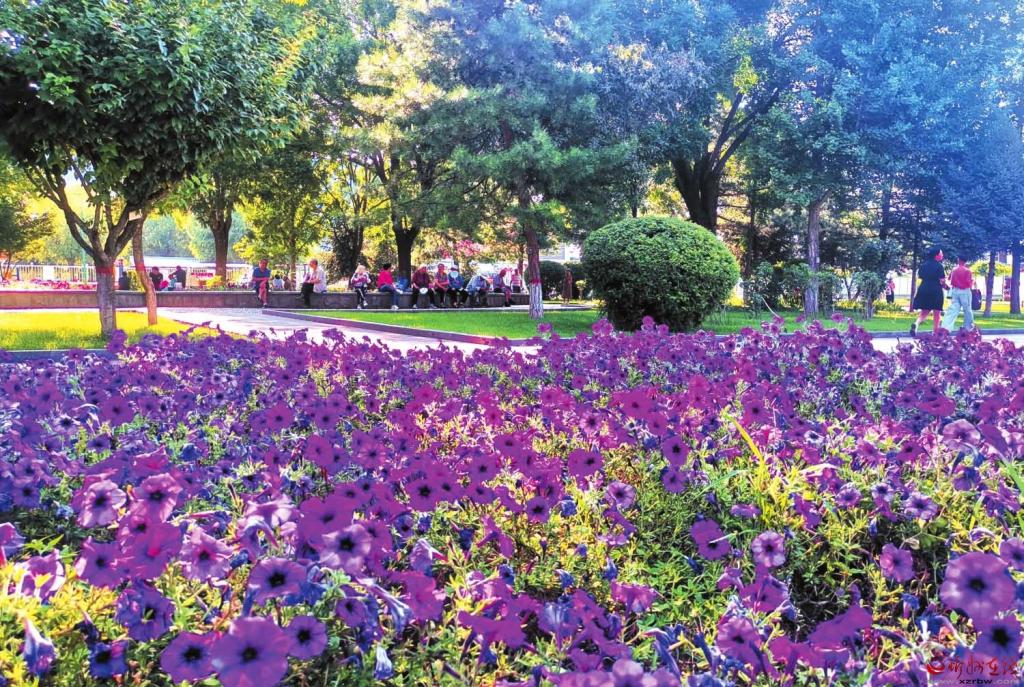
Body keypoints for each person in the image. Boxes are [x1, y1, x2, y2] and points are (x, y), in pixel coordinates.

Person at [910, 247, 946, 337]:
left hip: (924, 288)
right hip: (935, 290)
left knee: (925, 310)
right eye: (941, 254)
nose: (942, 255)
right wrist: (947, 287)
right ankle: (935, 333)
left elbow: (920, 276)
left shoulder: (924, 265)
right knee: (937, 312)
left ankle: (916, 323)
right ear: (936, 255)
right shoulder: (939, 266)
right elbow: (942, 281)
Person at [941, 255, 975, 333]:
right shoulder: (967, 271)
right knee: (967, 309)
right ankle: (968, 328)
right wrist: (972, 281)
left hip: (955, 291)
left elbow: (950, 280)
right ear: (965, 261)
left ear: (958, 260)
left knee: (953, 309)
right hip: (965, 291)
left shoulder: (954, 270)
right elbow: (968, 283)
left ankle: (945, 327)